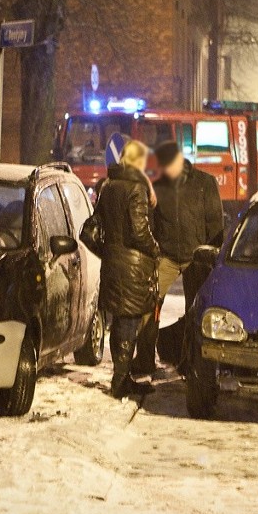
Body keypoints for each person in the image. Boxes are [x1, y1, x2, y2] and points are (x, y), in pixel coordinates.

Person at [134, 140, 224, 375]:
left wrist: (211, 255)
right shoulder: (158, 185)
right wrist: (154, 251)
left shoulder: (205, 183)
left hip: (197, 256)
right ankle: (145, 359)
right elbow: (150, 220)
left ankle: (192, 362)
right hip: (166, 256)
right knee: (149, 305)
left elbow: (215, 223)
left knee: (197, 311)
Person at [95, 140, 160, 398]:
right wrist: (155, 249)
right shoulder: (136, 188)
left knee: (121, 321)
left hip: (113, 262)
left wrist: (109, 250)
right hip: (132, 268)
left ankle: (120, 377)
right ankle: (120, 382)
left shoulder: (108, 186)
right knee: (128, 324)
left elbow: (96, 226)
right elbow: (139, 231)